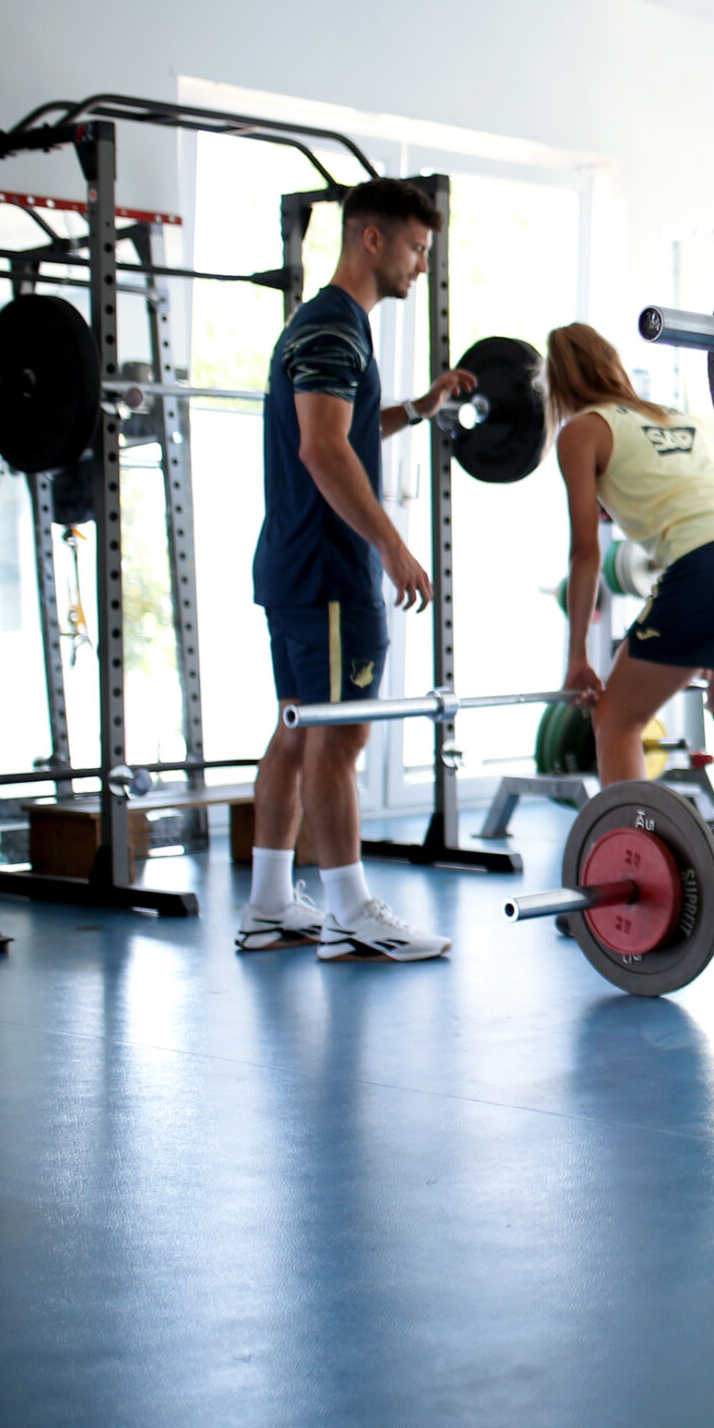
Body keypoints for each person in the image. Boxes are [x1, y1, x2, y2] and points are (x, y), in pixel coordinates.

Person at [238, 178, 472, 961]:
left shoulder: (323, 327)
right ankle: (349, 912)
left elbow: (343, 425)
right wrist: (391, 545)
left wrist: (419, 407)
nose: (420, 266)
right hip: (332, 571)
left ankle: (271, 903)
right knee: (339, 740)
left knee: (297, 731)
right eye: (415, 249)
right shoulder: (338, 326)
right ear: (372, 239)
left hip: (293, 565)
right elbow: (322, 447)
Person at [547, 322, 714, 912]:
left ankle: (629, 884)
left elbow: (586, 555)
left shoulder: (581, 430)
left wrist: (578, 657)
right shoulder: (675, 417)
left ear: (557, 383)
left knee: (615, 719)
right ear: (611, 363)